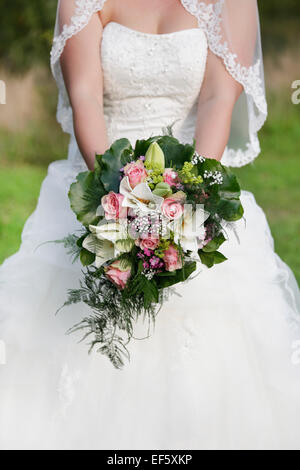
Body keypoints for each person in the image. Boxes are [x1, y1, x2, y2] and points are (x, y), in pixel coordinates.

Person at [0, 0, 300, 450]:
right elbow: (86, 98)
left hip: (193, 184)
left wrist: (185, 204)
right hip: (102, 180)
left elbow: (219, 98)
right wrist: (119, 204)